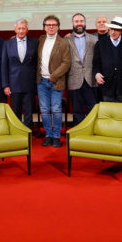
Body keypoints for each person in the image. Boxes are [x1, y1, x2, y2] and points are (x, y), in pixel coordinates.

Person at [36, 14, 71, 147]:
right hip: (41, 82)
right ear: (44, 27)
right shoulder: (40, 40)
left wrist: (54, 76)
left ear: (58, 27)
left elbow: (66, 63)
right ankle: (48, 135)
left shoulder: (63, 43)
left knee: (56, 109)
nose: (51, 27)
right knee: (44, 110)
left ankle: (56, 136)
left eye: (54, 25)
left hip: (56, 81)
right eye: (48, 25)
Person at [2, 19, 39, 130]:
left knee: (29, 111)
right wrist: (5, 85)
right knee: (16, 110)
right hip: (14, 84)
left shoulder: (35, 42)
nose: (21, 31)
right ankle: (17, 132)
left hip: (29, 83)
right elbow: (4, 65)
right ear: (15, 29)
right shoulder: (7, 43)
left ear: (27, 30)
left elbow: (37, 63)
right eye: (19, 28)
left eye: (23, 28)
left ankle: (28, 132)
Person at [66, 13, 98, 125]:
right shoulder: (66, 40)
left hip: (91, 79)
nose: (79, 23)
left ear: (85, 23)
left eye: (81, 21)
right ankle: (78, 132)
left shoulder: (94, 39)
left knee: (92, 109)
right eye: (76, 21)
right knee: (77, 110)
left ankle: (91, 132)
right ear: (73, 23)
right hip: (73, 79)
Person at [93, 17, 122, 103]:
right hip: (106, 87)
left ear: (121, 31)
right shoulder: (100, 43)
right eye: (111, 29)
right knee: (108, 111)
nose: (113, 32)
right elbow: (96, 64)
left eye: (116, 30)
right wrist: (97, 74)